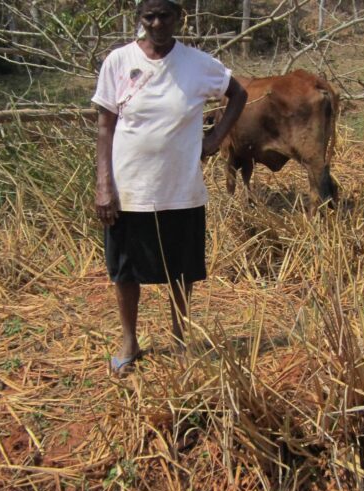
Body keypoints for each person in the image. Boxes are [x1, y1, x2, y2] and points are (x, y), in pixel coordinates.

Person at [92, 0, 247, 374]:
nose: (157, 23)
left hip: (181, 188)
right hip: (129, 188)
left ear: (179, 17)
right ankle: (129, 340)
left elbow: (238, 94)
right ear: (139, 19)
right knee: (125, 269)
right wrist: (103, 185)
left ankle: (180, 337)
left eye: (165, 15)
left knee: (181, 268)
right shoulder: (118, 61)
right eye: (149, 16)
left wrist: (215, 139)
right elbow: (104, 127)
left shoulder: (199, 65)